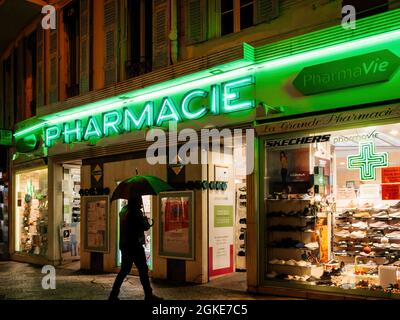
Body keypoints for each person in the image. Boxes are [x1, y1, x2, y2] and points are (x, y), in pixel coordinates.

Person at [109, 192, 163, 301]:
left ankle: (113, 295)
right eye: (140, 200)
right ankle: (148, 295)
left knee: (124, 270)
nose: (141, 202)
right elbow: (143, 227)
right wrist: (146, 221)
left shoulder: (124, 210)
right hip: (135, 245)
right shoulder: (135, 212)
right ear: (136, 201)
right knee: (143, 270)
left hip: (125, 245)